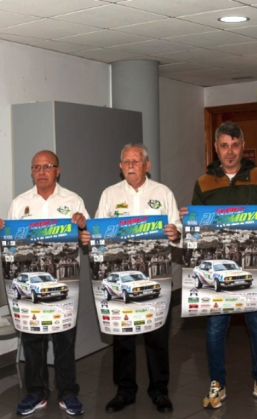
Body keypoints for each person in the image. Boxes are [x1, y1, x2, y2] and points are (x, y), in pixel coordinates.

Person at [184, 121, 257, 409]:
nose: (230, 152)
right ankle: (217, 382)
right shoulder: (203, 182)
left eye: (235, 145)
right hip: (218, 270)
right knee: (216, 328)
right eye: (224, 146)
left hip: (253, 270)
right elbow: (198, 232)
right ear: (216, 148)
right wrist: (189, 220)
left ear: (243, 147)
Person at [0, 150, 89, 416]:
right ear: (31, 171)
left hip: (63, 283)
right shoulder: (20, 203)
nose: (41, 172)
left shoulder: (73, 200)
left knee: (64, 340)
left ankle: (68, 393)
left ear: (58, 170)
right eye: (36, 167)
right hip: (29, 283)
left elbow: (87, 236)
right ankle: (36, 393)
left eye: (47, 166)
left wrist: (82, 225)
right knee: (33, 341)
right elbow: (10, 242)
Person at [88, 144, 181, 414]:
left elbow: (178, 228)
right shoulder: (110, 195)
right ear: (120, 167)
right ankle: (125, 391)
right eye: (126, 161)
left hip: (156, 277)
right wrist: (91, 236)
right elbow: (99, 232)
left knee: (157, 337)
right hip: (120, 278)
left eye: (136, 161)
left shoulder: (163, 193)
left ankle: (160, 391)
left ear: (147, 166)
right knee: (123, 337)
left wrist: (175, 233)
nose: (131, 165)